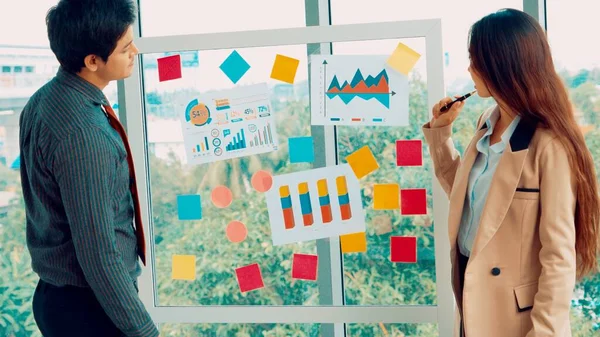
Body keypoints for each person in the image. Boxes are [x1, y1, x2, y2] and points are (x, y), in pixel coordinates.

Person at [423, 8, 599, 337]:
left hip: (515, 317)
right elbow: (467, 199)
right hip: (471, 293)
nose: (469, 69)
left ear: (499, 65)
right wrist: (441, 134)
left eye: (475, 60)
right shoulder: (486, 122)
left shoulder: (549, 145)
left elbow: (559, 258)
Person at [19, 0, 159, 336]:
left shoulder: (44, 99)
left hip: (60, 296)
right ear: (92, 61)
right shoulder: (83, 132)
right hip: (90, 307)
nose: (134, 52)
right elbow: (99, 253)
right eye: (125, 48)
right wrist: (142, 330)